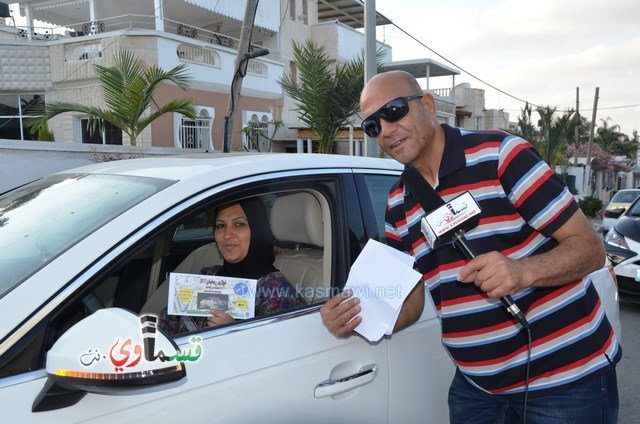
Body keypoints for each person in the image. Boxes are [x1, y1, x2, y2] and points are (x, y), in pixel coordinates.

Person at [320, 70, 620, 423]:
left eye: (395, 110)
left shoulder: (500, 155)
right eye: (373, 125)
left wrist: (522, 271)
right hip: (477, 391)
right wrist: (356, 319)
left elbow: (589, 248)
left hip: (566, 382)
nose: (386, 129)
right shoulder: (398, 204)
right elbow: (413, 301)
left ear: (428, 106)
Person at [160, 197, 305, 334]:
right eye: (221, 225)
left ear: (257, 229)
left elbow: (281, 351)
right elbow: (165, 324)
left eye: (239, 224)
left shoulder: (277, 292)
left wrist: (234, 333)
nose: (227, 235)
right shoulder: (207, 276)